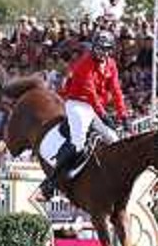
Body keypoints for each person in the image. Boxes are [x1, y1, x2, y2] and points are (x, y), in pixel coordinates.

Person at [39, 31, 129, 200]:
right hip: (78, 105)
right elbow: (90, 93)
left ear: (110, 50)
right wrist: (103, 115)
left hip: (94, 107)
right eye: (97, 48)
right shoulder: (84, 64)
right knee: (78, 144)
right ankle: (50, 183)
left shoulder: (111, 64)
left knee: (113, 139)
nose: (100, 52)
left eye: (104, 49)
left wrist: (123, 115)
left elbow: (116, 90)